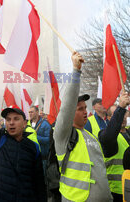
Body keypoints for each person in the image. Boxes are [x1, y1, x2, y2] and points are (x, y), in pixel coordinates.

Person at [0, 62, 47, 202]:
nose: (11, 122)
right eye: (8, 119)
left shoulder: (33, 147)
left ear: (25, 123)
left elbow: (39, 183)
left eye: (16, 119)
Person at [54, 51, 113, 202]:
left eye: (85, 108)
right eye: (80, 109)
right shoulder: (63, 135)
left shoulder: (91, 136)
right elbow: (67, 105)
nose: (85, 111)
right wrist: (76, 71)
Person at [99, 97, 130, 202]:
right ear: (108, 118)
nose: (123, 117)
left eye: (124, 114)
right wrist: (121, 108)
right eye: (117, 114)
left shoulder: (128, 133)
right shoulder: (105, 136)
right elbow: (109, 135)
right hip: (118, 192)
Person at [28, 106, 51, 172]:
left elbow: (49, 139)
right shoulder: (28, 124)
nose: (30, 114)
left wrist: (35, 137)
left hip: (43, 158)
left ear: (37, 112)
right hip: (31, 157)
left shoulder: (45, 124)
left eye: (32, 112)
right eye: (29, 112)